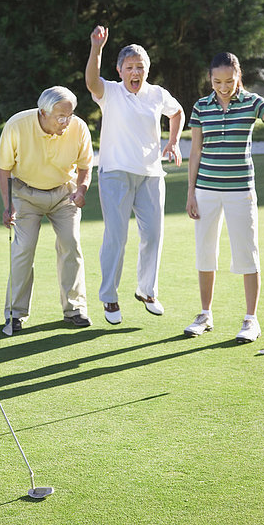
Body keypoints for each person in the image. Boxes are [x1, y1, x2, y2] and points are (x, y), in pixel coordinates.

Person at [85, 25, 185, 325]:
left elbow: (177, 112)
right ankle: (109, 298)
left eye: (140, 67)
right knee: (116, 237)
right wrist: (96, 49)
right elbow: (91, 81)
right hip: (115, 173)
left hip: (151, 174)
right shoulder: (111, 92)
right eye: (129, 67)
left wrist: (174, 140)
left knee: (153, 235)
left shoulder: (157, 94)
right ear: (120, 70)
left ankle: (147, 291)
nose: (135, 72)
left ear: (147, 70)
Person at [185, 52, 264, 343]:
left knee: (246, 253)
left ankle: (251, 320)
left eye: (229, 80)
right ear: (210, 78)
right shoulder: (201, 106)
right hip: (206, 190)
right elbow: (196, 151)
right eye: (217, 81)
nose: (223, 87)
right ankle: (205, 314)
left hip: (241, 191)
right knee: (205, 252)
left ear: (238, 76)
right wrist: (191, 192)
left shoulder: (253, 102)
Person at [0, 86, 93, 335]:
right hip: (26, 195)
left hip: (64, 193)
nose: (67, 121)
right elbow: (4, 169)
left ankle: (75, 309)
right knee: (23, 249)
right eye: (61, 116)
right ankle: (15, 314)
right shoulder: (17, 125)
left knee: (71, 244)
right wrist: (8, 205)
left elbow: (85, 165)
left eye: (70, 115)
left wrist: (81, 190)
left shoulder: (78, 127)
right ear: (43, 112)